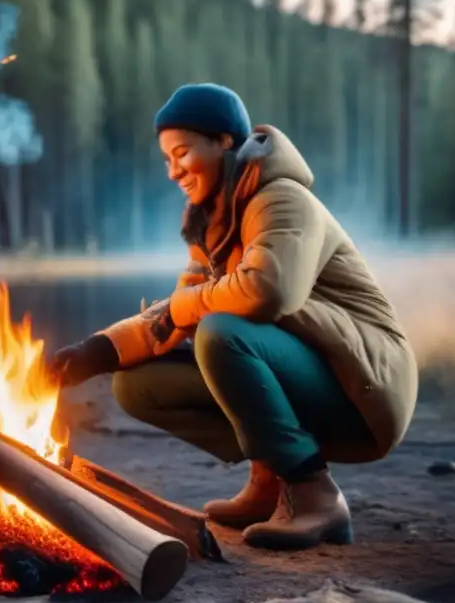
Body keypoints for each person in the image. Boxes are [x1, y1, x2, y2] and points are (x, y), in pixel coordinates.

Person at [48, 83, 418, 550]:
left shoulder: (282, 199)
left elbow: (267, 292)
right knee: (137, 384)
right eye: (166, 159)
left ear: (224, 140)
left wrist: (188, 309)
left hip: (364, 383)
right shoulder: (215, 223)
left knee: (222, 333)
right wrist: (95, 353)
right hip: (309, 369)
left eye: (181, 153)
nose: (173, 171)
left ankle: (315, 496)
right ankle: (270, 479)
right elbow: (177, 310)